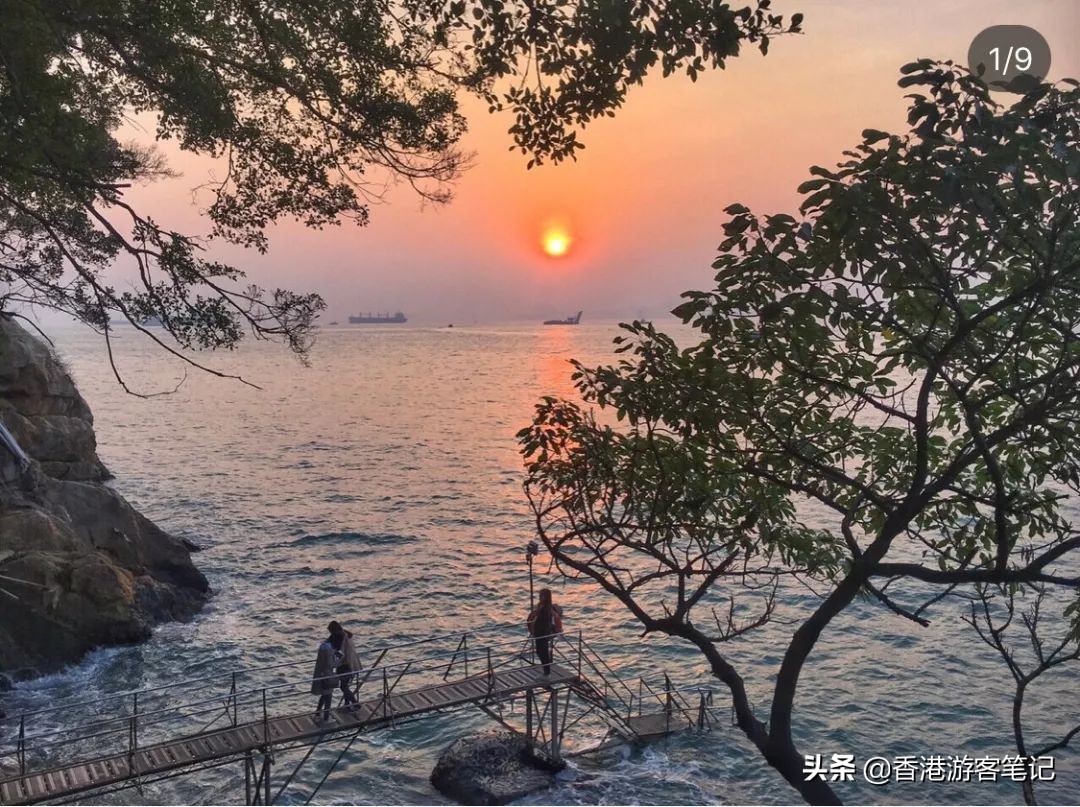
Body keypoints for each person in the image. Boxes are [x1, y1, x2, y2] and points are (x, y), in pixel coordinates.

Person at [527, 588, 563, 676]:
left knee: (543, 652)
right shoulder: (541, 606)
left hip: (543, 631)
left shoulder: (547, 608)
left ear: (545, 597)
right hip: (538, 631)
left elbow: (554, 617)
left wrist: (557, 631)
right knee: (539, 651)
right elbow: (533, 616)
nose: (539, 597)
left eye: (541, 595)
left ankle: (547, 672)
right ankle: (545, 669)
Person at [311, 629, 342, 723]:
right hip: (327, 675)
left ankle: (317, 712)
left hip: (320, 673)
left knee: (324, 695)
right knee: (328, 696)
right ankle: (326, 718)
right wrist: (339, 660)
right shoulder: (329, 650)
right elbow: (330, 664)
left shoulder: (323, 646)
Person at [328, 621, 360, 707]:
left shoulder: (339, 637)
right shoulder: (345, 635)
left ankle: (355, 703)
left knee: (343, 686)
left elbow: (339, 651)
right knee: (344, 685)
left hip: (343, 664)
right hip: (348, 663)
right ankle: (347, 704)